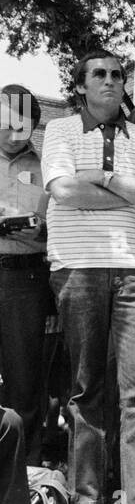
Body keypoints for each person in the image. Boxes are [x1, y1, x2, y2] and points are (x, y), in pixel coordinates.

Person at [41, 53, 135, 504]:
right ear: (80, 85)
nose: (109, 81)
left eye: (117, 74)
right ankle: (86, 495)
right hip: (77, 268)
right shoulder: (59, 132)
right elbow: (62, 192)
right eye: (98, 74)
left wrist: (101, 177)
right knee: (84, 388)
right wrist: (130, 190)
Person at [0, 84, 51, 463]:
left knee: (24, 381)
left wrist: (43, 231)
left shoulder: (47, 166)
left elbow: (64, 223)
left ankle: (26, 475)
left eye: (24, 126)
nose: (15, 134)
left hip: (25, 280)